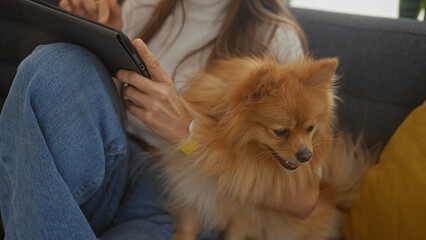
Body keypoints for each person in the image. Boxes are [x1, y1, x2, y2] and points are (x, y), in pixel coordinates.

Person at [0, 0, 319, 239]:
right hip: (114, 163)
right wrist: (91, 49)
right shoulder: (143, 5)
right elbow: (108, 102)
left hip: (188, 200)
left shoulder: (276, 37)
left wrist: (188, 135)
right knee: (53, 64)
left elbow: (305, 200)